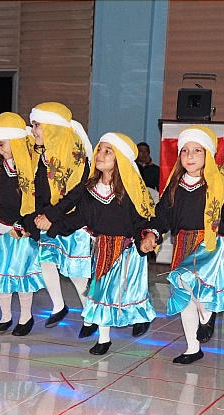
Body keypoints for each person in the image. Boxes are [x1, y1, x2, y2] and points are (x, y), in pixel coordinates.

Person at [143, 125, 224, 365]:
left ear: (208, 154)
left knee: (192, 283)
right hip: (182, 242)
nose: (190, 156)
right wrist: (152, 234)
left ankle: (207, 314)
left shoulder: (218, 183)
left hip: (208, 243)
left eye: (197, 150)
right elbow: (162, 215)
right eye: (185, 151)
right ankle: (192, 348)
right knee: (184, 293)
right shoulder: (175, 184)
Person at [47, 133, 156, 355]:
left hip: (128, 250)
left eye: (108, 151)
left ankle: (140, 317)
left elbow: (142, 220)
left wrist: (145, 238)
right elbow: (80, 217)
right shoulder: (90, 189)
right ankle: (104, 339)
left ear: (120, 158)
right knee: (101, 293)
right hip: (103, 248)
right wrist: (52, 227)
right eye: (99, 150)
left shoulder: (130, 189)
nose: (100, 154)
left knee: (130, 292)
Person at [19, 102, 93, 333]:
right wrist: (38, 216)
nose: (33, 131)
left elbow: (77, 192)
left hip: (73, 221)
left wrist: (50, 215)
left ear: (52, 128)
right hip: (50, 219)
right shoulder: (42, 155)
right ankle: (59, 306)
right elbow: (40, 190)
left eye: (37, 125)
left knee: (76, 274)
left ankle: (90, 316)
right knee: (46, 260)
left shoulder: (77, 156)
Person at [0, 112, 44, 336]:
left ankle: (26, 316)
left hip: (23, 230)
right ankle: (5, 316)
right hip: (1, 227)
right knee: (1, 273)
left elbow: (38, 202)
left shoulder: (34, 167)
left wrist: (25, 226)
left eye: (1, 144)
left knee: (22, 273)